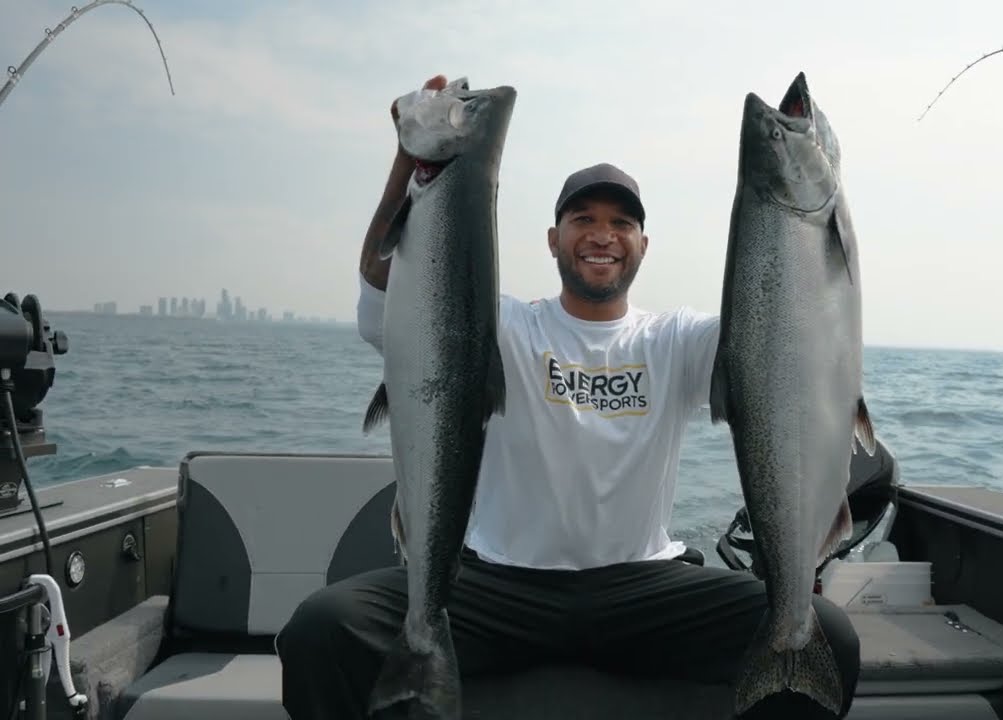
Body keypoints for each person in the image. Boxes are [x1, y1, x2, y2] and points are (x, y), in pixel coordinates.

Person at [275, 74, 861, 720]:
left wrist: (811, 213)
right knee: (319, 630)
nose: (602, 235)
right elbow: (386, 294)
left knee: (823, 635)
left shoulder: (676, 339)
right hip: (501, 587)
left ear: (643, 245)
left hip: (644, 591)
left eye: (620, 223)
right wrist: (410, 163)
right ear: (553, 241)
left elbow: (781, 337)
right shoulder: (501, 325)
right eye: (582, 219)